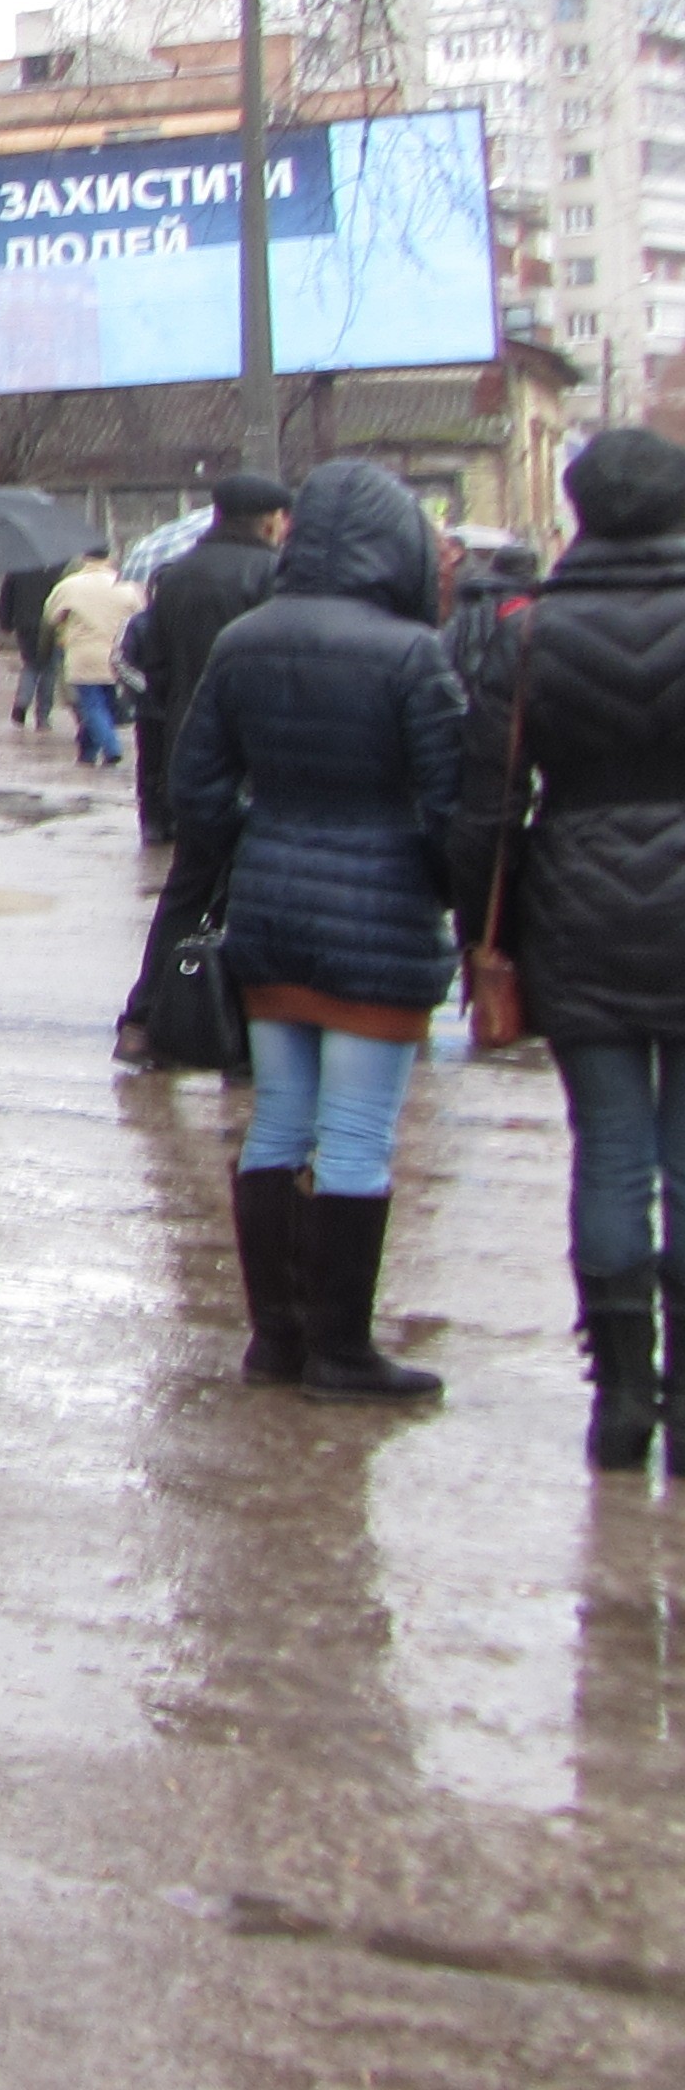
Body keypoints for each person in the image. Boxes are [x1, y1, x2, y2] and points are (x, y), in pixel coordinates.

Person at [171, 461, 466, 1404]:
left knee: (279, 1119)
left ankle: (277, 1342)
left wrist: (251, 849)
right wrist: (441, 888)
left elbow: (195, 789)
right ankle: (343, 1352)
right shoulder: (413, 653)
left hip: (270, 909)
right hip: (381, 916)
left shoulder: (244, 641)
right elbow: (451, 807)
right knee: (357, 1134)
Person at [447, 429, 685, 1470]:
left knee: (610, 1152)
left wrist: (480, 934)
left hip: (578, 909)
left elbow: (486, 811)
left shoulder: (529, 634)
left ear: (579, 510)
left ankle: (620, 1400)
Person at [116, 473, 294, 1060]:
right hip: (252, 757)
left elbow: (155, 670)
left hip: (188, 753)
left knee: (186, 887)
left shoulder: (177, 577)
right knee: (255, 894)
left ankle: (144, 1020)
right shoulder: (273, 577)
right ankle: (238, 1029)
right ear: (270, 520)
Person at [45, 547, 145, 768]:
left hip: (83, 656)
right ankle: (87, 753)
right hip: (117, 655)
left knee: (92, 705)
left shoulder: (69, 586)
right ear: (109, 557)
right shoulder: (127, 586)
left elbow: (50, 616)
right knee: (105, 705)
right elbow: (141, 615)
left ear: (84, 558)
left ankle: (112, 749)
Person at [0, 562, 64, 732]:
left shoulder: (18, 568)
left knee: (30, 665)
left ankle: (22, 702)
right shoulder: (58, 569)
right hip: (50, 626)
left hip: (25, 625)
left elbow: (6, 598)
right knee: (49, 670)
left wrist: (5, 623)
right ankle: (43, 716)